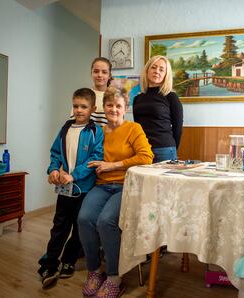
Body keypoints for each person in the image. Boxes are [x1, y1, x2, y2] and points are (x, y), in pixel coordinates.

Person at [78, 87, 154, 298]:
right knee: (84, 218)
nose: (113, 109)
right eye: (110, 105)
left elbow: (146, 157)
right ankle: (94, 272)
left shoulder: (133, 128)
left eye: (118, 106)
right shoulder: (99, 132)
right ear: (104, 108)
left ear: (125, 108)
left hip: (127, 186)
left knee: (105, 221)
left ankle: (114, 277)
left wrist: (113, 165)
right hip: (102, 186)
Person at [38, 88, 104, 288]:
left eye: (83, 107)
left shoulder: (95, 132)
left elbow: (95, 159)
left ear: (92, 108)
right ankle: (50, 263)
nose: (79, 110)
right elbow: (55, 153)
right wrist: (53, 170)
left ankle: (69, 260)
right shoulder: (65, 128)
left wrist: (73, 175)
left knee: (78, 229)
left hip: (84, 190)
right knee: (59, 227)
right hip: (64, 191)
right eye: (76, 106)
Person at [133, 55, 184, 163]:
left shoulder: (171, 97)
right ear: (147, 70)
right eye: (153, 67)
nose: (157, 71)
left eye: (161, 69)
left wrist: (173, 148)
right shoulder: (137, 98)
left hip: (164, 150)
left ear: (166, 74)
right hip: (142, 149)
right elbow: (137, 127)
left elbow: (178, 128)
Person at [71, 57, 113, 126]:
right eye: (96, 71)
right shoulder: (83, 96)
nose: (100, 75)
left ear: (109, 75)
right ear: (91, 73)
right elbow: (73, 124)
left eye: (104, 72)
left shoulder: (115, 98)